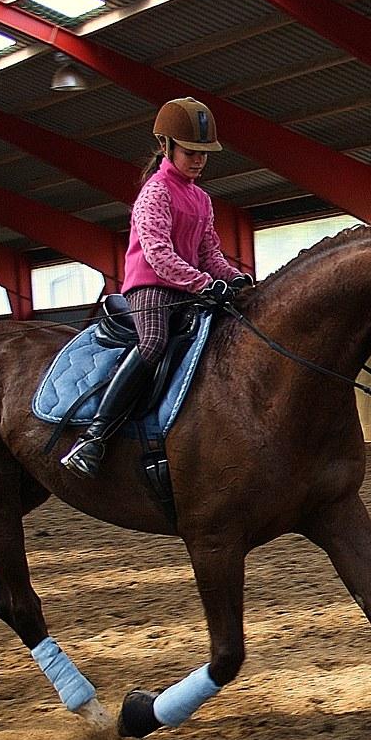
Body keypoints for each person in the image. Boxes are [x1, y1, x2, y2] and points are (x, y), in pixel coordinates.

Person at [61, 96, 253, 478]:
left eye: (204, 153)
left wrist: (233, 278)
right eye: (190, 151)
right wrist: (203, 283)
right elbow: (158, 253)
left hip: (190, 288)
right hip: (151, 288)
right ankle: (94, 437)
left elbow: (209, 251)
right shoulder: (156, 191)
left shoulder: (201, 198)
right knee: (153, 343)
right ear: (167, 146)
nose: (198, 160)